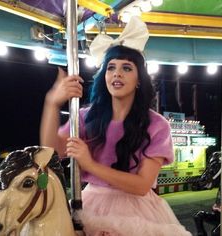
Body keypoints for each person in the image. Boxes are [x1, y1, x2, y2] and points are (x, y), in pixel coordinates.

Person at [40, 16, 191, 236]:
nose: (117, 73)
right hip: (91, 204)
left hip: (137, 211)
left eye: (127, 68)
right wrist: (52, 103)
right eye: (111, 68)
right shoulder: (87, 117)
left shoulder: (157, 125)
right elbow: (51, 150)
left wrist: (90, 164)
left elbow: (141, 185)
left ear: (139, 79)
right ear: (104, 76)